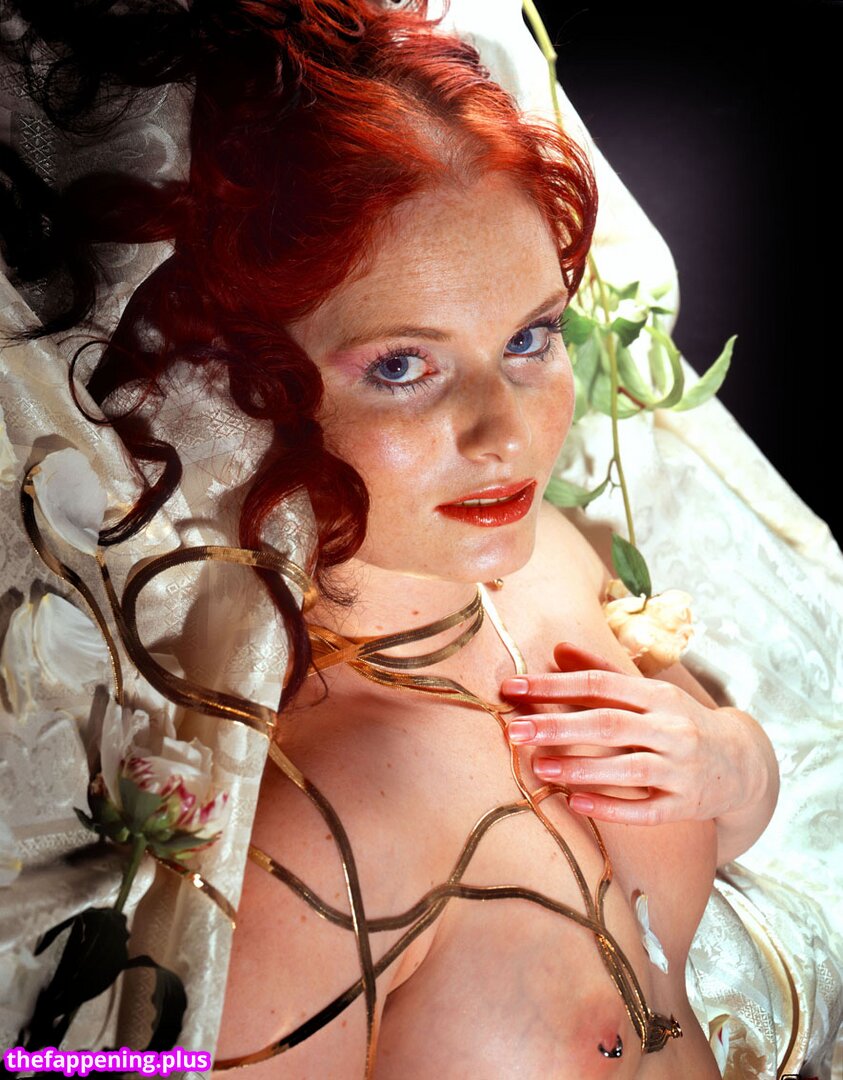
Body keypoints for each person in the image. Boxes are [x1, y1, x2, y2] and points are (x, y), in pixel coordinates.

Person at [0, 0, 835, 1076]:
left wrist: (731, 767)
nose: (503, 434)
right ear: (240, 382)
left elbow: (715, 843)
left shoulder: (552, 567)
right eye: (402, 366)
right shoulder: (307, 839)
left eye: (529, 337)